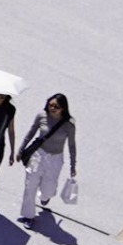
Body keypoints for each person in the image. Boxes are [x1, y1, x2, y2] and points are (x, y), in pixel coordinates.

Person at [17, 92, 77, 225]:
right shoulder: (41, 116)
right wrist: (21, 150)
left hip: (56, 158)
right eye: (51, 105)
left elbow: (72, 145)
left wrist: (73, 165)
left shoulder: (69, 125)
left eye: (56, 106)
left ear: (63, 108)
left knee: (48, 189)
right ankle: (28, 216)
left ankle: (45, 197)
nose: (52, 108)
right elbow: (30, 133)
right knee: (30, 186)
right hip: (38, 155)